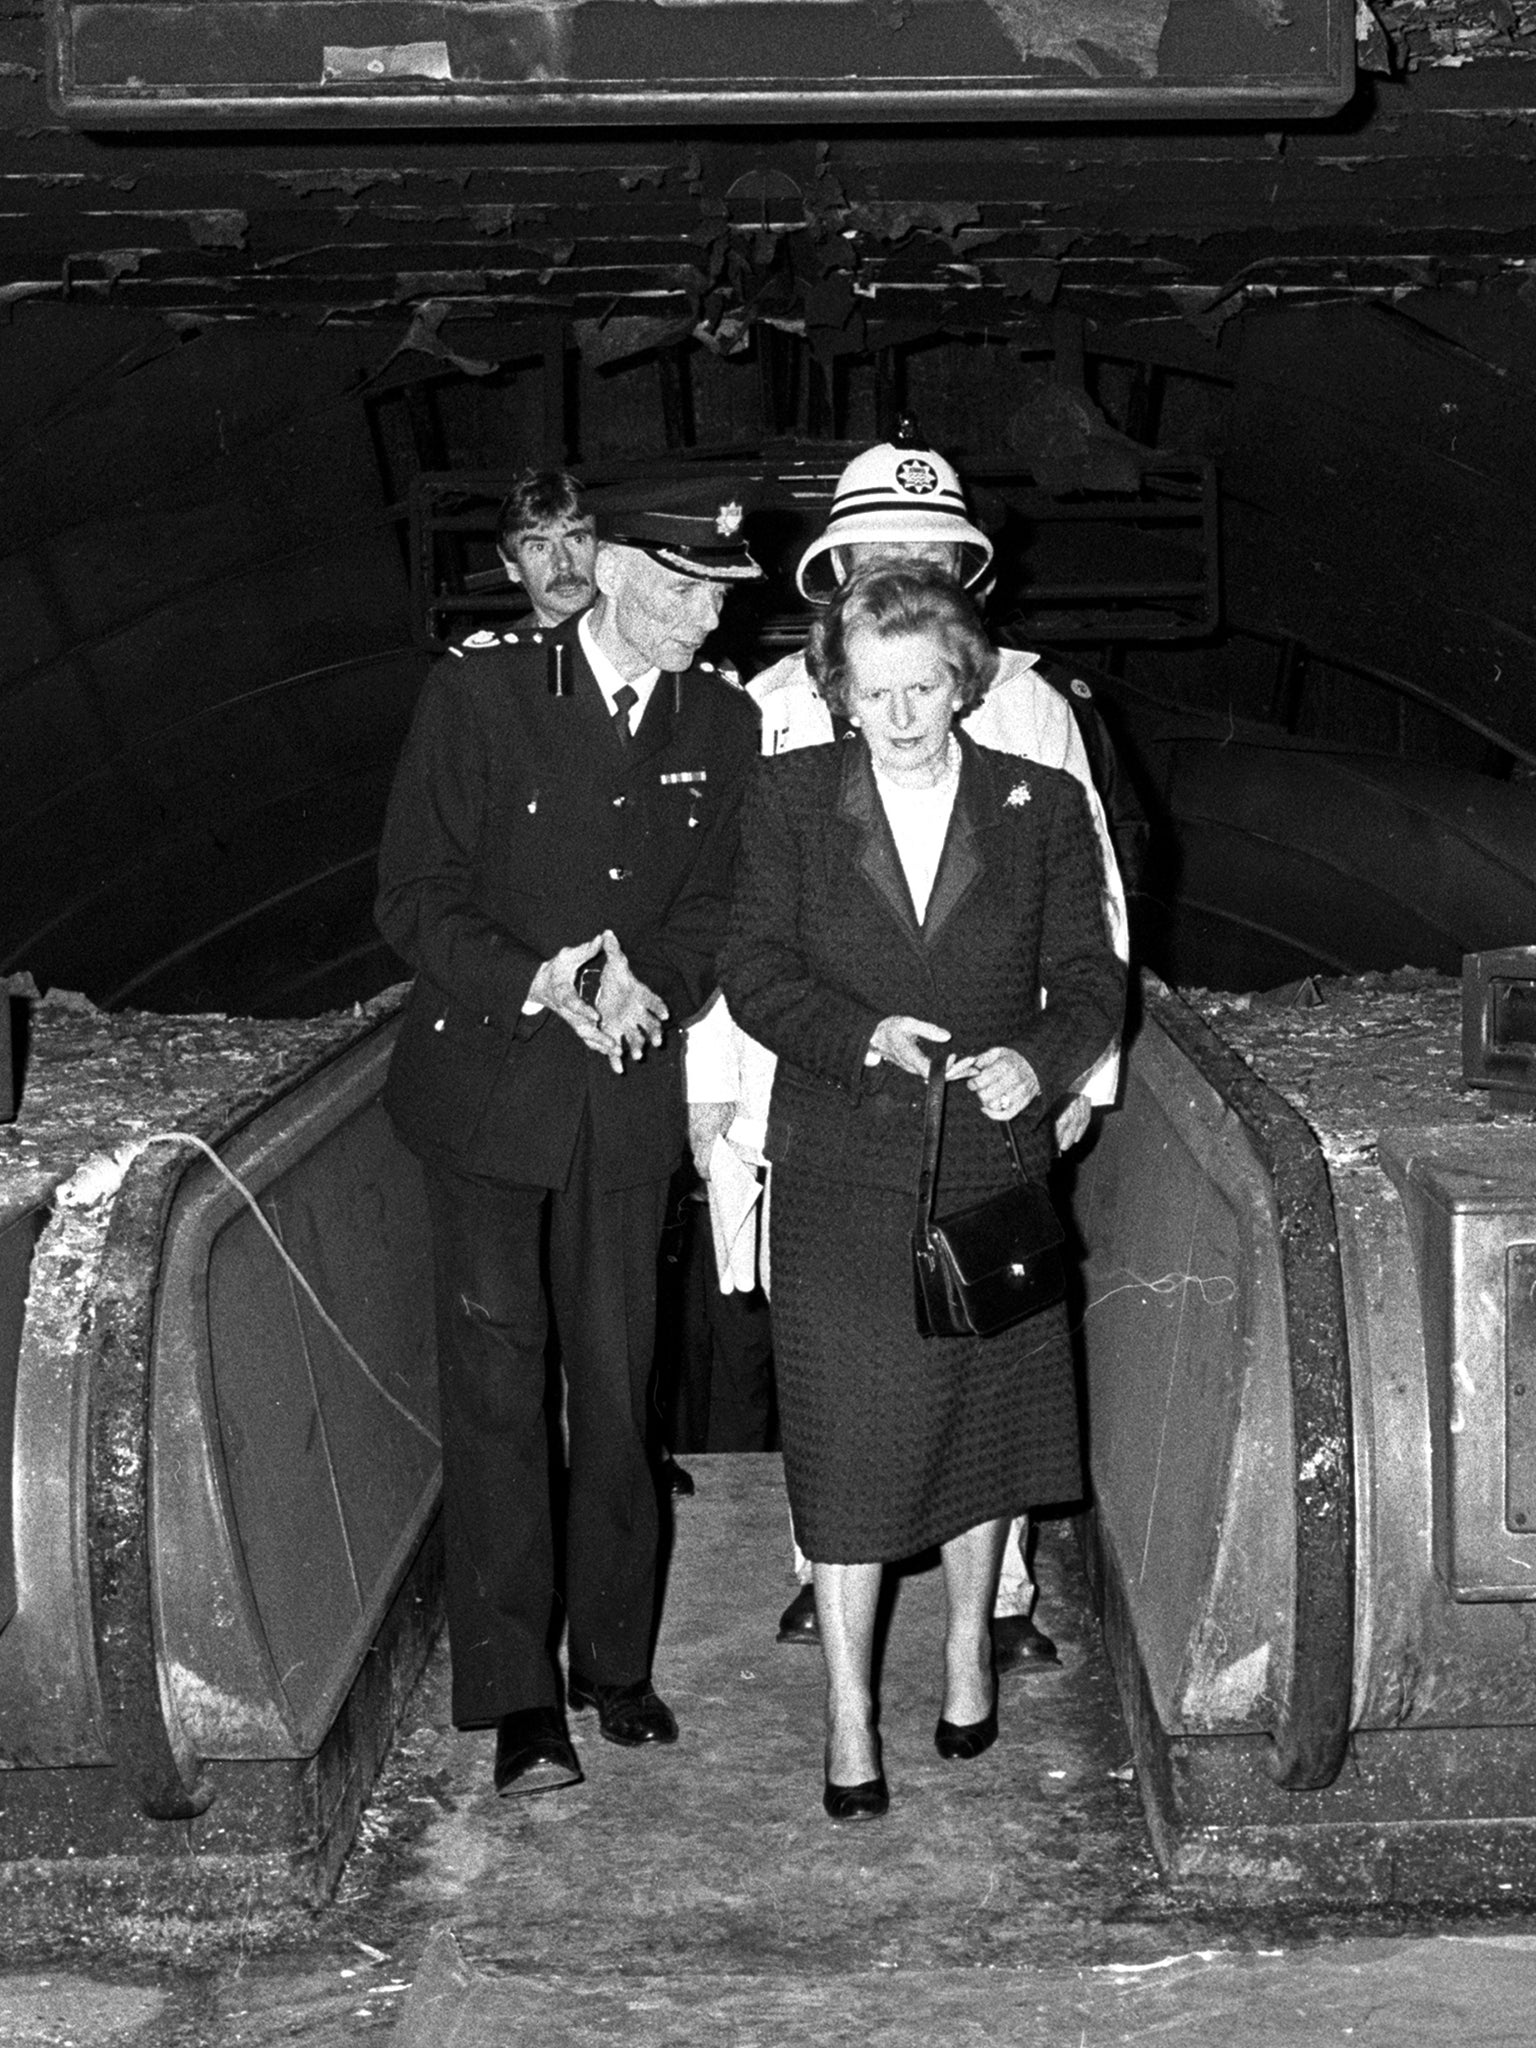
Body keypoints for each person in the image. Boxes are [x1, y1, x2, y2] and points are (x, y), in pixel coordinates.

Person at [685, 435, 1128, 1667]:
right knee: (839, 1369)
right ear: (838, 570)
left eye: (927, 554)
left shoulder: (1029, 705)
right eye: (881, 553)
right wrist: (713, 1089)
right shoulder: (772, 711)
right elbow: (739, 927)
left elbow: (1095, 929)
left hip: (992, 1092)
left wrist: (1071, 1074)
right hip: (820, 1085)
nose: (905, 568)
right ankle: (828, 1565)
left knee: (984, 1336)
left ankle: (993, 1602)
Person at [375, 479, 762, 1799]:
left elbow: (714, 910)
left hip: (623, 1099)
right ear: (599, 565)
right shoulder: (480, 701)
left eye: (723, 594)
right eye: (682, 586)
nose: (706, 619)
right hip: (486, 1092)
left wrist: (651, 984)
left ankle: (613, 1662)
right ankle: (517, 1693)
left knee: (616, 1383)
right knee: (496, 1397)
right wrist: (547, 978)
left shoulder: (726, 719)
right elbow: (413, 903)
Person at [495, 468, 598, 627]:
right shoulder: (506, 652)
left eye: (577, 539)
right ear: (512, 566)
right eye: (539, 547)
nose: (563, 563)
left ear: (604, 548)